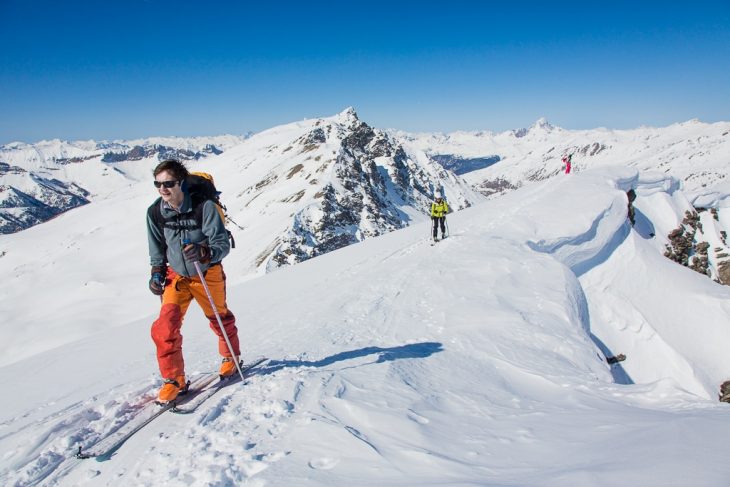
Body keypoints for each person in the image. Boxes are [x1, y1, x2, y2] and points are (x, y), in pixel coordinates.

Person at [146, 159, 241, 403]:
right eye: (158, 184)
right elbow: (157, 249)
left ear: (181, 183)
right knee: (165, 327)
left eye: (168, 183)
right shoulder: (155, 212)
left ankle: (231, 358)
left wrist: (205, 252)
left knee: (219, 318)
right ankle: (174, 379)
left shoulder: (204, 207)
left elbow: (221, 244)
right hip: (176, 277)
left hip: (206, 273)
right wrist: (157, 273)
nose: (162, 189)